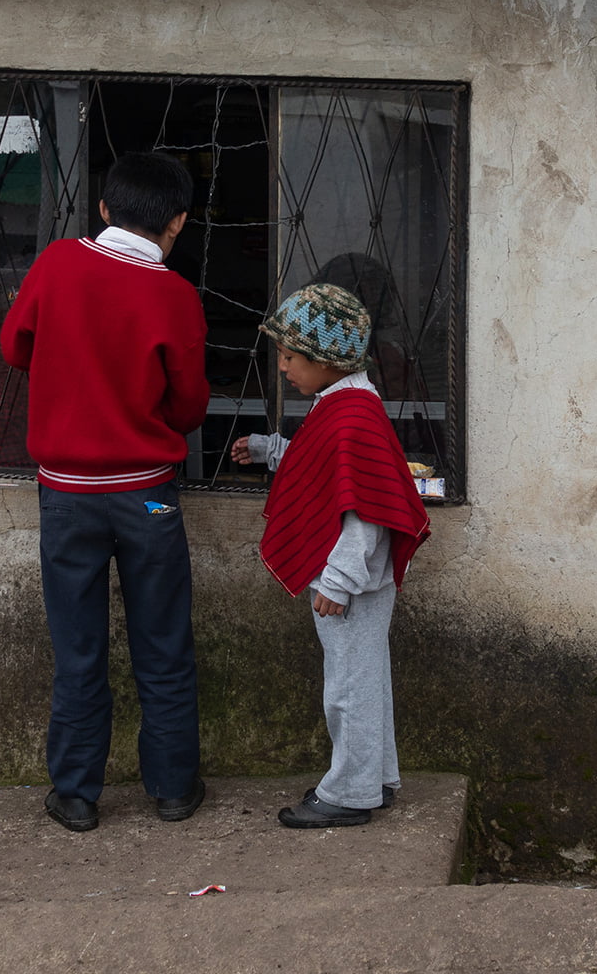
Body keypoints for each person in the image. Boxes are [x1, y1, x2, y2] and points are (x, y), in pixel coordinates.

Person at [0, 151, 211, 833]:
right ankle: (174, 789)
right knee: (163, 642)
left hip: (66, 496)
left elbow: (14, 347)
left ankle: (78, 794)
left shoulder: (57, 264)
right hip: (146, 495)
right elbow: (189, 408)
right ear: (178, 222)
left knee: (80, 648)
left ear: (102, 209)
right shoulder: (174, 295)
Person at [228, 283, 430, 829]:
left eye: (292, 358)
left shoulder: (352, 416)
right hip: (356, 579)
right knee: (366, 678)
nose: (285, 368)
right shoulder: (342, 405)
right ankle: (377, 779)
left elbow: (366, 515)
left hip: (352, 581)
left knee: (348, 686)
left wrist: (336, 582)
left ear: (328, 360)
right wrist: (273, 451)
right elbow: (328, 471)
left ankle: (349, 792)